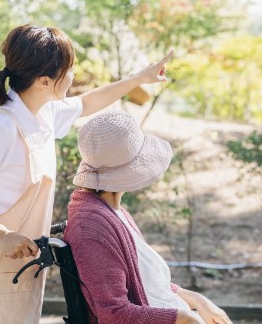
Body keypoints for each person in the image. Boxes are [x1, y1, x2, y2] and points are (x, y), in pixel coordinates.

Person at [0, 24, 173, 324]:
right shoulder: (0, 128)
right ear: (45, 81)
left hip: (21, 267)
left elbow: (88, 102)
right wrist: (2, 235)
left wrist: (140, 78)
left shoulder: (44, 113)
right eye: (69, 68)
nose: (73, 75)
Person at [65, 111, 233, 324]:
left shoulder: (110, 211)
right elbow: (114, 314)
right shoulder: (92, 227)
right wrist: (186, 318)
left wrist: (197, 300)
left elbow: (147, 283)